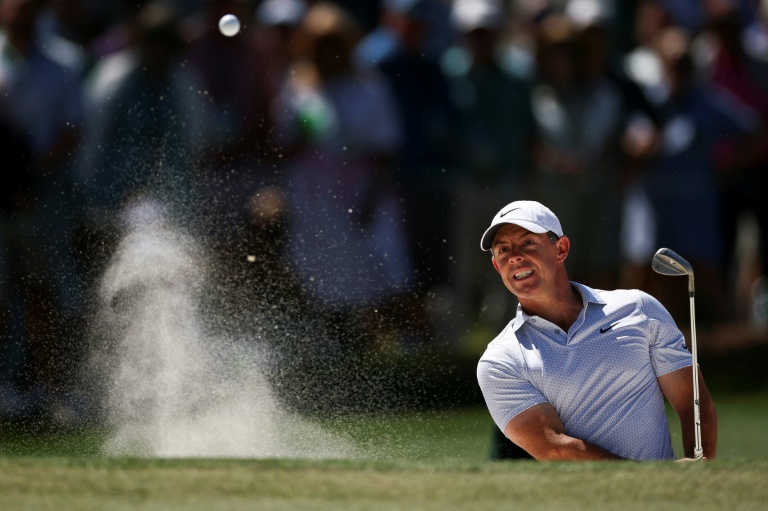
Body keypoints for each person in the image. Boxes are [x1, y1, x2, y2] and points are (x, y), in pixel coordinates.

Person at [476, 200, 718, 461]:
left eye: (528, 243)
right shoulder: (500, 361)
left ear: (561, 248)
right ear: (497, 266)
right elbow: (555, 449)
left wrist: (696, 477)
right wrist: (655, 478)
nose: (514, 256)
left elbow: (693, 405)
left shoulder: (639, 308)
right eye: (503, 250)